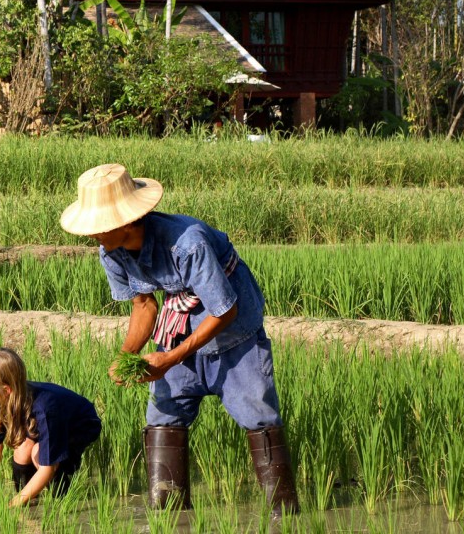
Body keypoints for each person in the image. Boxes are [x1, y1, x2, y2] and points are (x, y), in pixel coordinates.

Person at [60, 164, 299, 516]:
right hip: (180, 326)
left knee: (259, 417)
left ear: (126, 222)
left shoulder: (187, 243)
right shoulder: (111, 251)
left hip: (234, 332)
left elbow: (224, 311)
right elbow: (144, 305)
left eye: (98, 227)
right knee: (163, 417)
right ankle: (168, 517)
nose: (92, 235)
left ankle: (284, 516)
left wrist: (169, 359)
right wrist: (128, 355)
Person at [0, 348, 102, 509]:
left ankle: (60, 502)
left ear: (6, 390)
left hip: (79, 424)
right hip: (42, 422)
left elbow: (47, 468)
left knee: (39, 454)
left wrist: (10, 506)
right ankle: (29, 501)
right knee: (23, 450)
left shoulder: (45, 409)